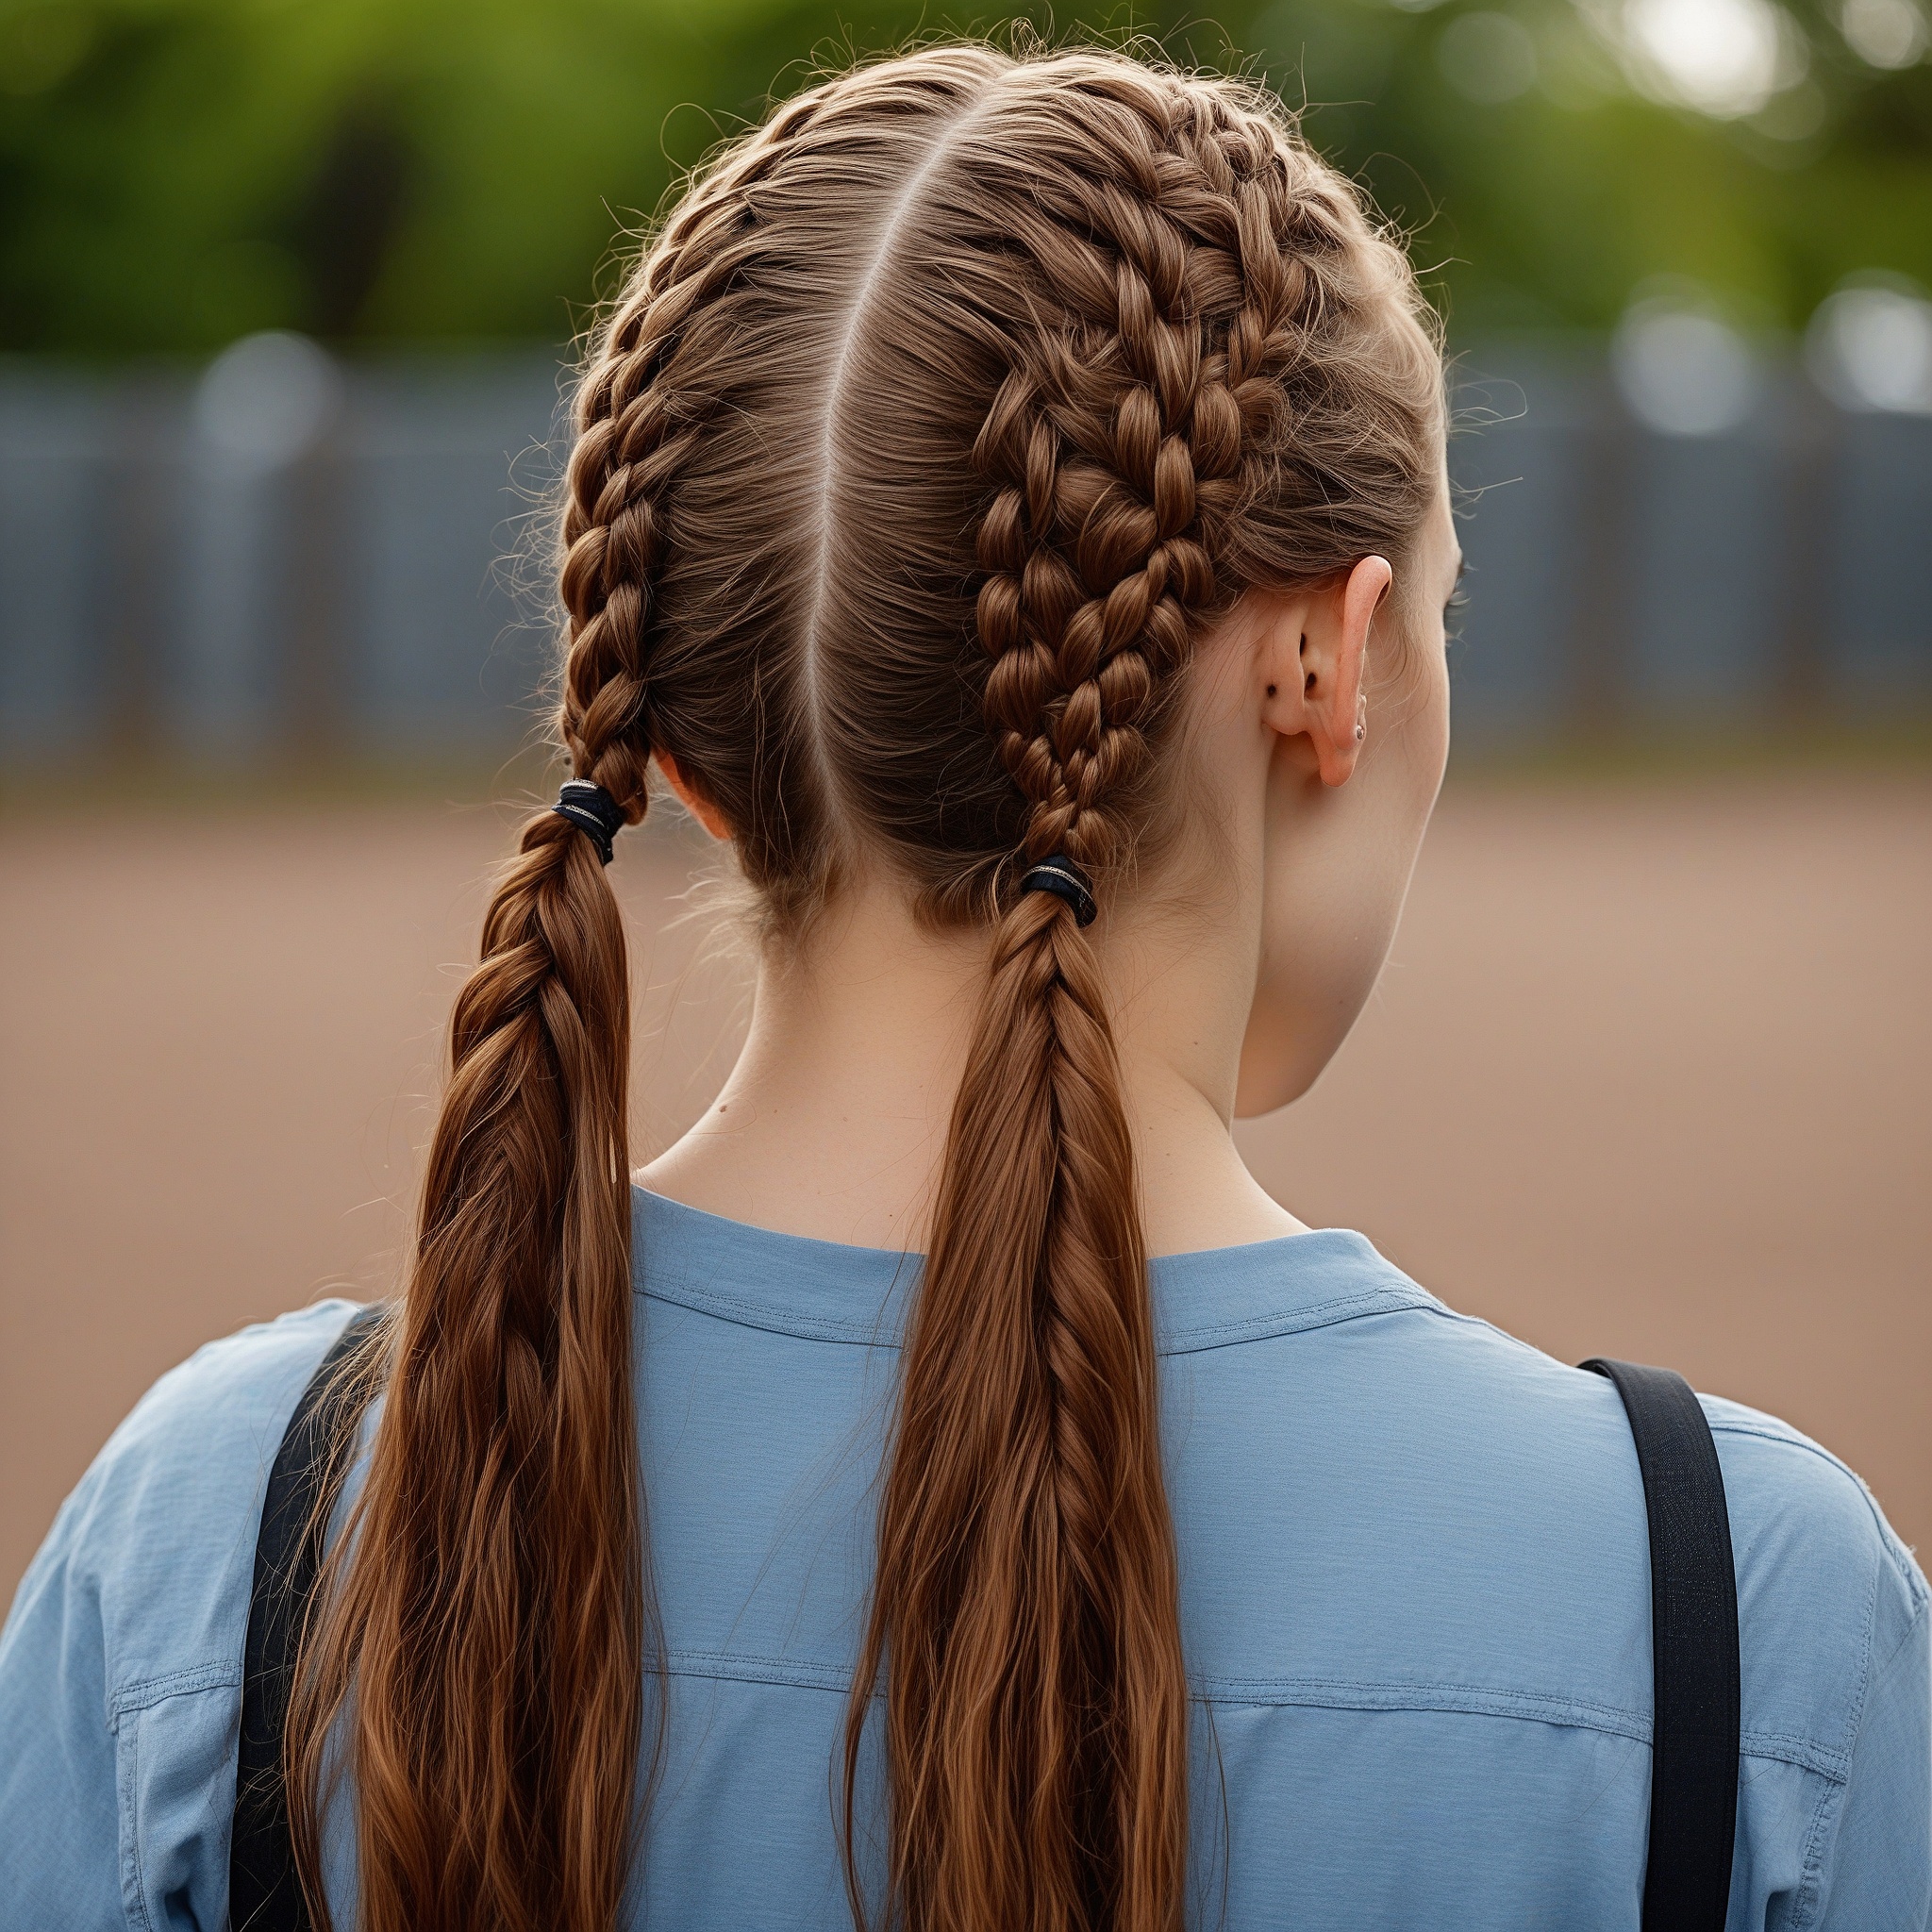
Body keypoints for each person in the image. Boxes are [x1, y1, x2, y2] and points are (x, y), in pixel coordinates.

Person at [1, 41, 1926, 1932]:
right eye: (1438, 618)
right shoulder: (1742, 1640)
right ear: (1326, 667)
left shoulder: (223, 1548)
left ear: (670, 741)